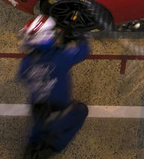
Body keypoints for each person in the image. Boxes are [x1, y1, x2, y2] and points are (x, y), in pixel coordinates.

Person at [17, 15, 90, 159]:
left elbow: (22, 76)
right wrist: (80, 35)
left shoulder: (26, 62)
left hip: (38, 108)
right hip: (58, 111)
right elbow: (83, 51)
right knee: (81, 110)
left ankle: (32, 147)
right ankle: (52, 148)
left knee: (38, 128)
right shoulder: (60, 57)